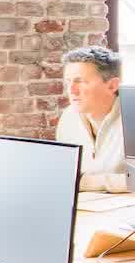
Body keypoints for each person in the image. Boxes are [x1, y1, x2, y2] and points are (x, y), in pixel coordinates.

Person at [54, 44, 128, 194]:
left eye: (80, 81)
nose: (71, 90)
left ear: (112, 85)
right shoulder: (69, 117)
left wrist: (86, 182)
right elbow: (63, 176)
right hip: (85, 204)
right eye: (68, 82)